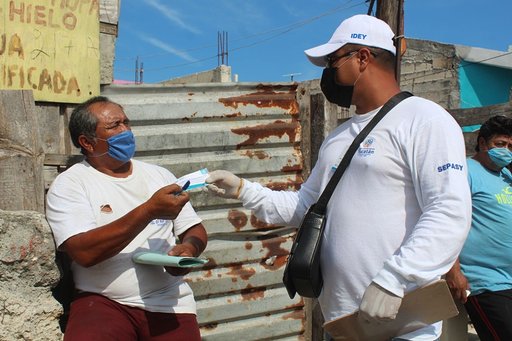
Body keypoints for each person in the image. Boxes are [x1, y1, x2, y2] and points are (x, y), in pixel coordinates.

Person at [205, 14, 471, 341]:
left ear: (362, 57)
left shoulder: (425, 120)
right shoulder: (339, 137)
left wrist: (395, 278)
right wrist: (246, 191)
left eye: (333, 60)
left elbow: (449, 211)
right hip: (343, 325)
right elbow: (306, 206)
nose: (328, 72)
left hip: (401, 325)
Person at [46, 96, 207, 340]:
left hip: (169, 301)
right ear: (87, 142)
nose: (126, 131)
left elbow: (194, 229)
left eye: (126, 123)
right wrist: (148, 211)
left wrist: (188, 249)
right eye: (114, 126)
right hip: (103, 301)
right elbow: (84, 253)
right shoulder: (71, 184)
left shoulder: (160, 176)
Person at [445, 115, 512, 341]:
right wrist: (453, 271)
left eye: (511, 146)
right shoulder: (465, 171)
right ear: (482, 143)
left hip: (508, 278)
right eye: (500, 144)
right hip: (484, 281)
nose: (506, 150)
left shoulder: (506, 175)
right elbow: (446, 219)